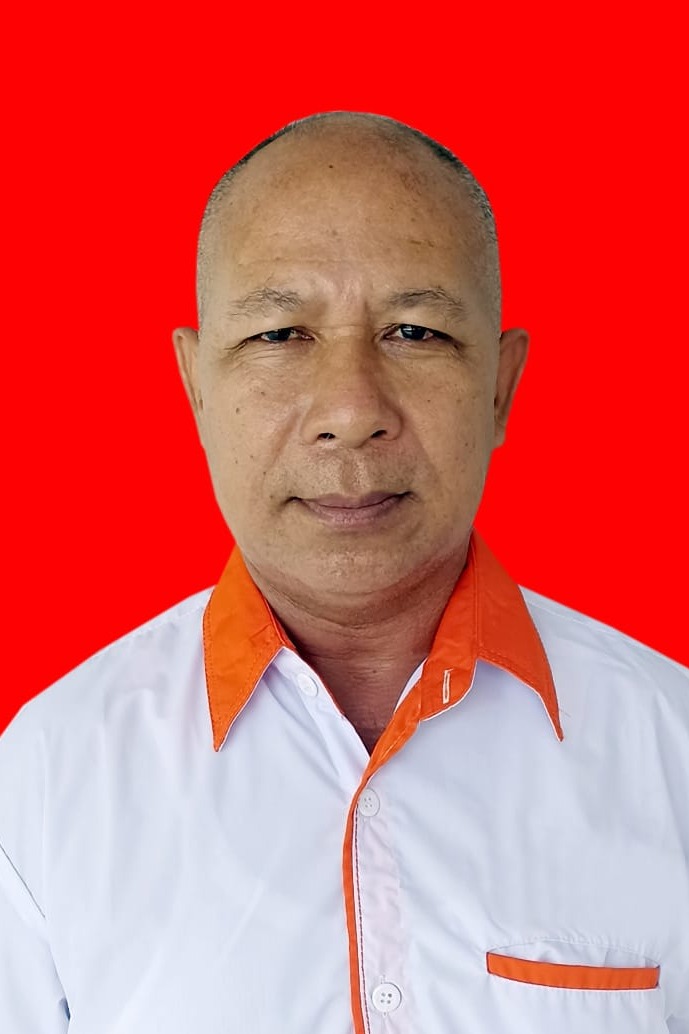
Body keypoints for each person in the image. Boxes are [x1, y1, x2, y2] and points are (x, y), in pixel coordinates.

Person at [1, 111, 687, 1033]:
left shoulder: (672, 753)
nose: (351, 409)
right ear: (195, 385)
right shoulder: (44, 783)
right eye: (281, 335)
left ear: (500, 387)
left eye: (414, 331)